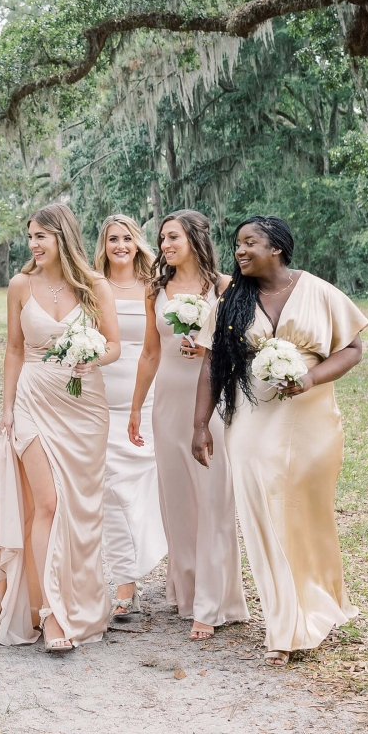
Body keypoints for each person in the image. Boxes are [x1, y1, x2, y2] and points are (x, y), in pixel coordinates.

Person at [193, 216, 368, 666]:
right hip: (251, 420)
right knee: (263, 516)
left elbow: (351, 348)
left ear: (277, 247)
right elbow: (212, 366)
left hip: (312, 421)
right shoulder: (232, 299)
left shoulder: (318, 290)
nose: (240, 251)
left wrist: (310, 377)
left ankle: (317, 604)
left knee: (305, 514)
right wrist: (199, 424)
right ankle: (284, 626)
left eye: (249, 242)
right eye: (237, 245)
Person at [0, 203, 120, 649]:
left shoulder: (94, 285)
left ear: (61, 237)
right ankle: (49, 614)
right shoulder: (19, 285)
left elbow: (114, 347)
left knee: (82, 510)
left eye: (40, 236)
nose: (33, 244)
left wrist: (91, 357)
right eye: (30, 236)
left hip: (84, 406)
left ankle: (83, 603)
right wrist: (7, 407)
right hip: (33, 399)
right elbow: (12, 349)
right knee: (45, 504)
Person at [130, 210, 248, 640]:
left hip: (211, 403)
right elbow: (148, 353)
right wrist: (136, 408)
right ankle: (189, 591)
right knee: (177, 502)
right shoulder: (155, 289)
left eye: (173, 237)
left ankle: (213, 603)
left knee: (214, 498)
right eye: (162, 239)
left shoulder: (224, 287)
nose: (165, 245)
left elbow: (241, 349)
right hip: (168, 404)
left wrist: (206, 350)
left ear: (196, 238)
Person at [94, 214, 167, 619]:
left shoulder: (155, 287)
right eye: (111, 239)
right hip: (100, 403)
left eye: (126, 237)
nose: (120, 245)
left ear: (137, 242)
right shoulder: (90, 285)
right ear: (102, 246)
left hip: (148, 401)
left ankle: (164, 567)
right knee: (112, 493)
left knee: (148, 490)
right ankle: (126, 582)